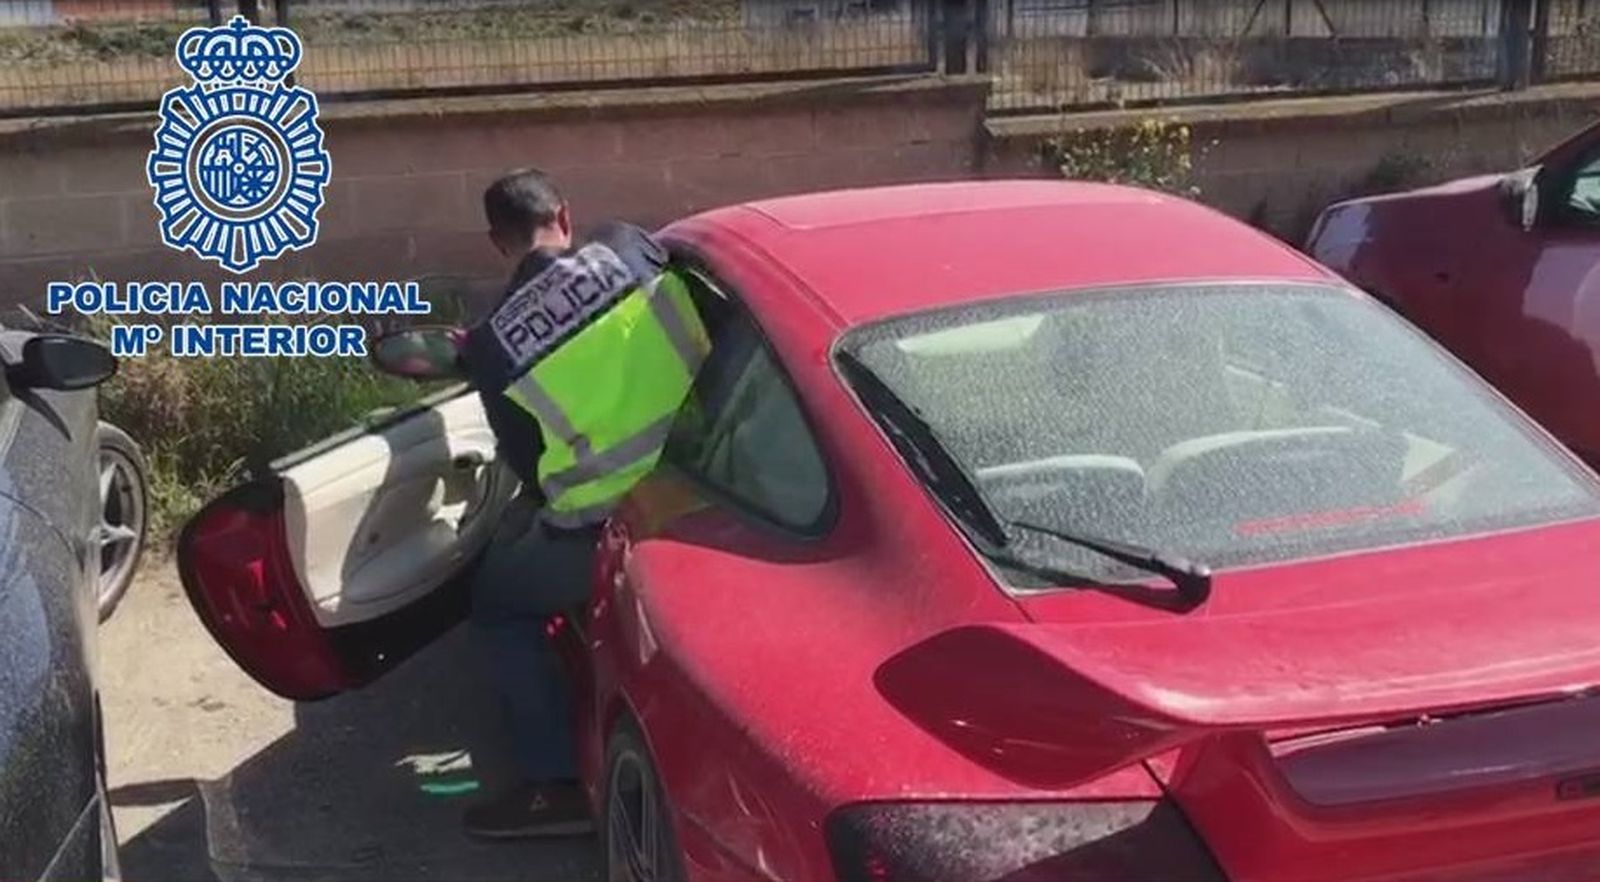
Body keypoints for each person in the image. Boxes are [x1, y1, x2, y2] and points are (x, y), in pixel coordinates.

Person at [454, 168, 710, 839]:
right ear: (565, 215)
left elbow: (530, 468)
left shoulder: (493, 345)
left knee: (497, 606)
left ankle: (554, 785)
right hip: (716, 488)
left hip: (609, 524)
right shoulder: (630, 247)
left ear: (494, 241)